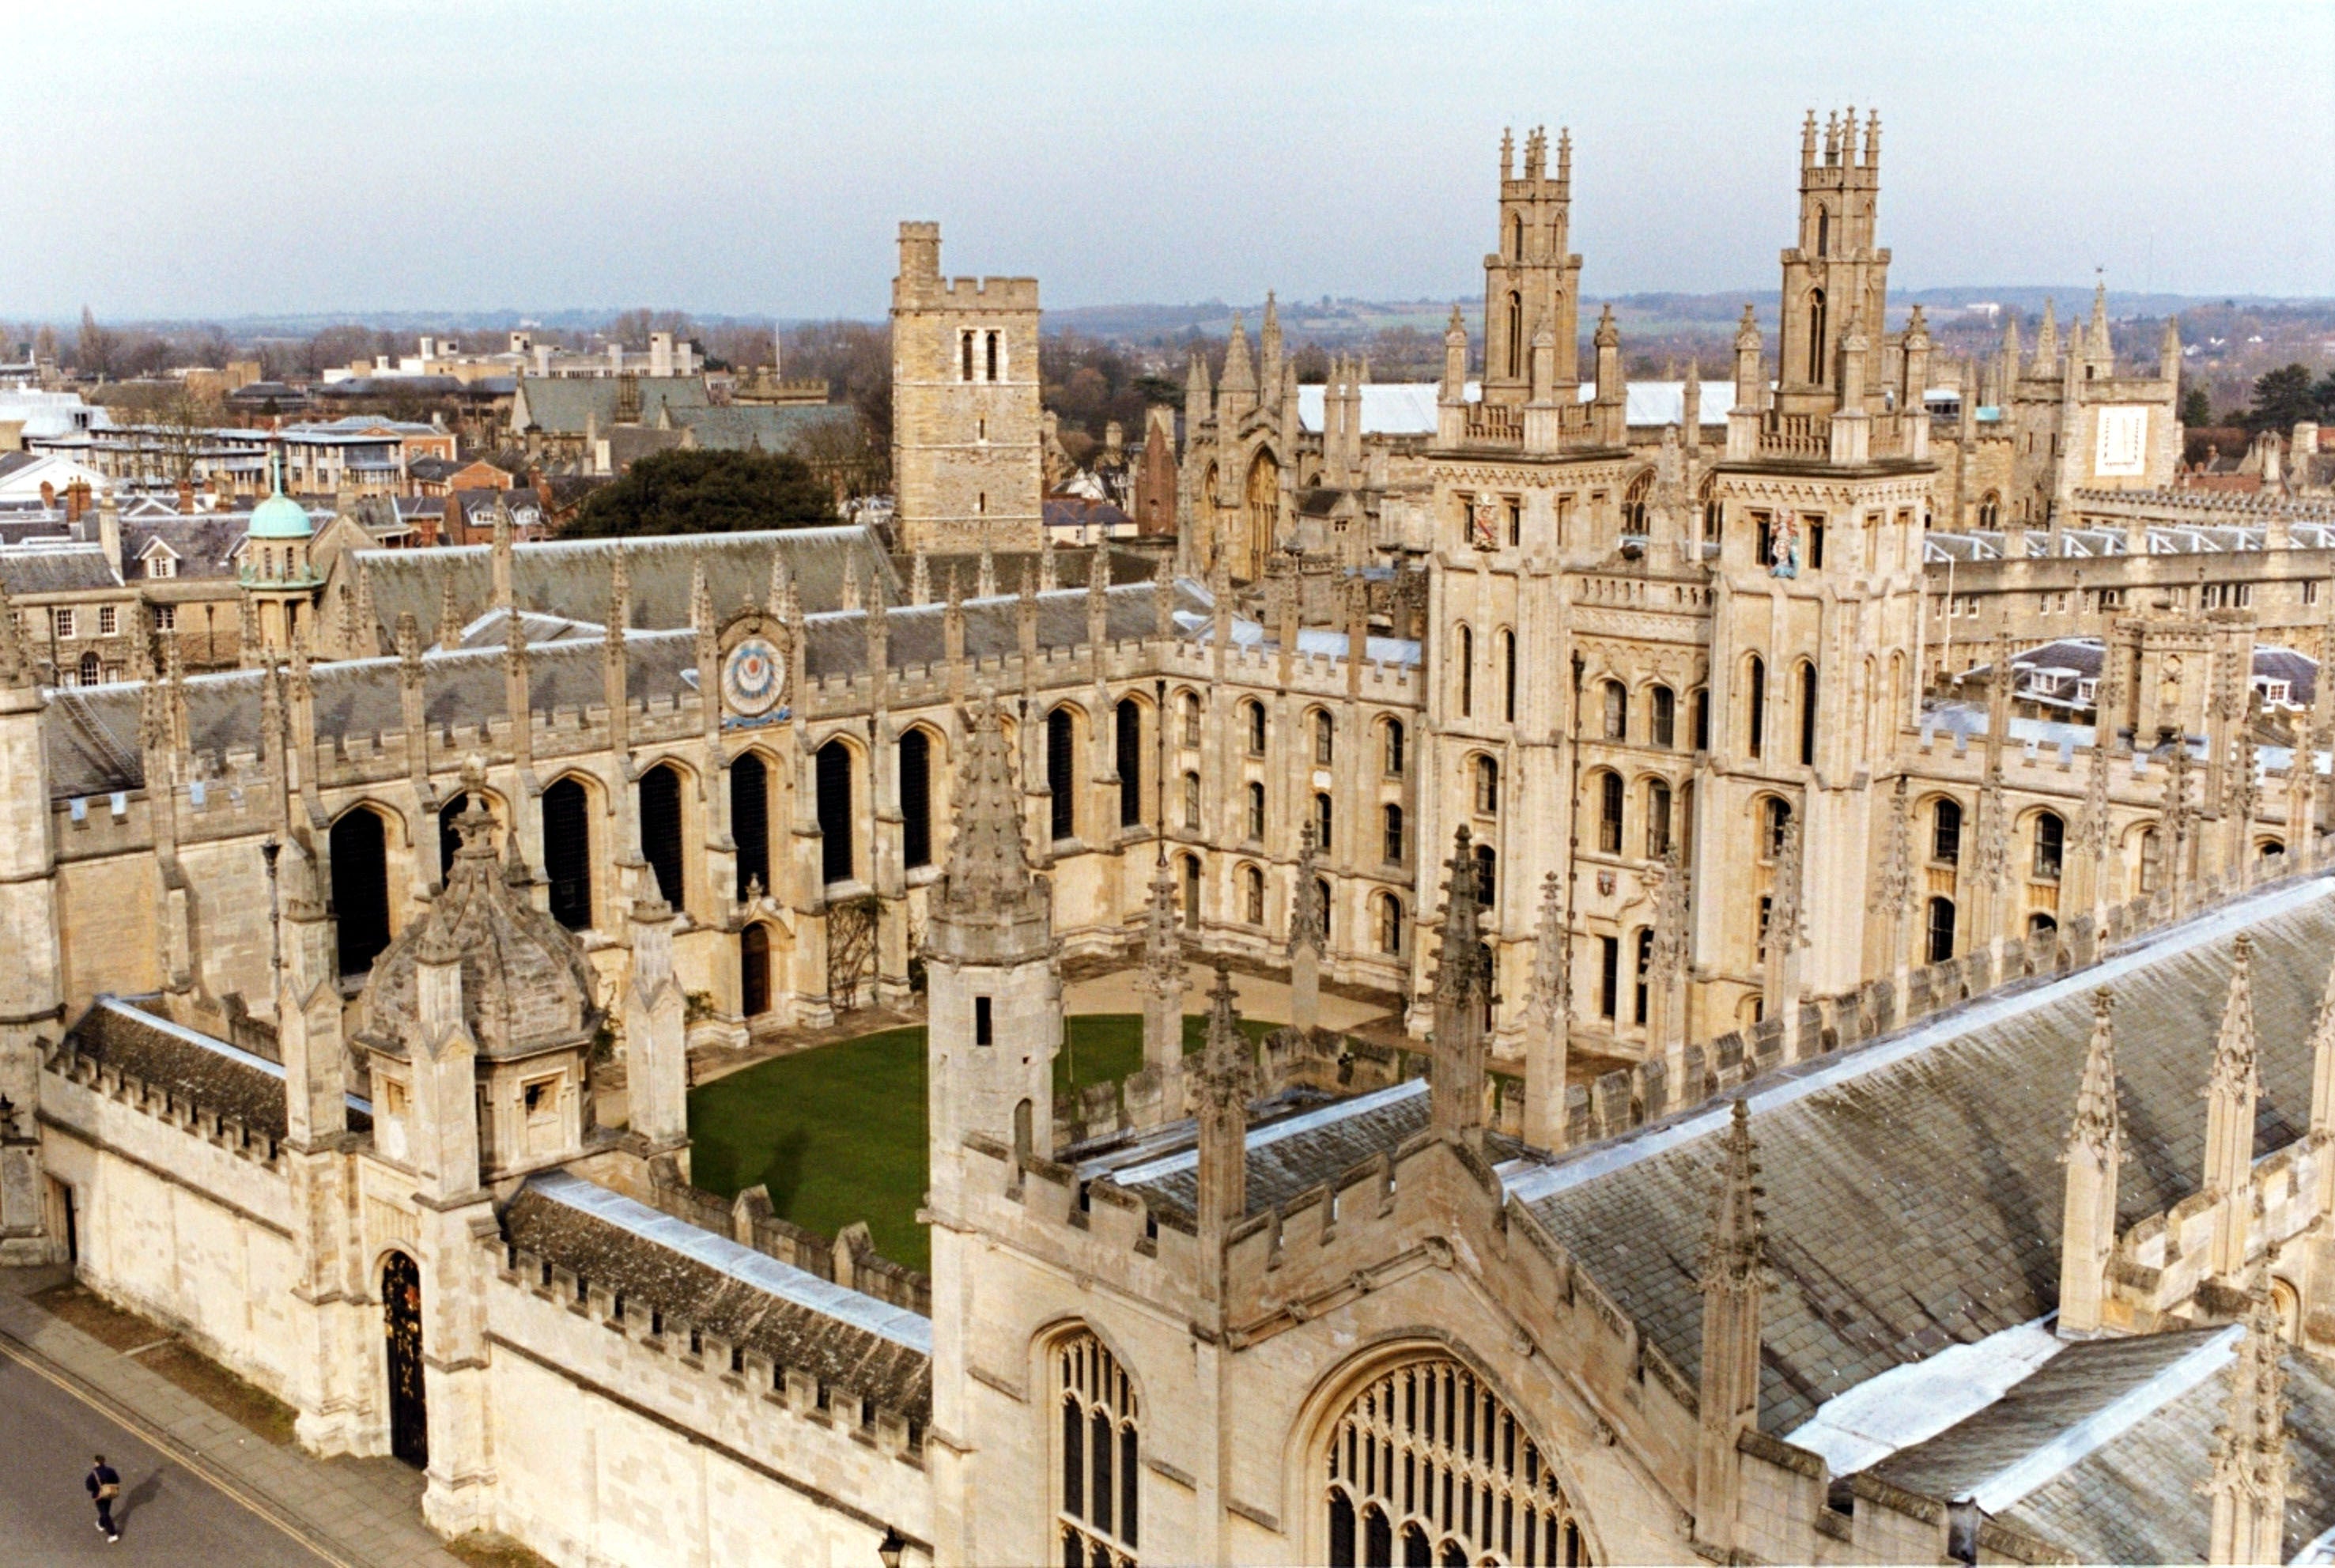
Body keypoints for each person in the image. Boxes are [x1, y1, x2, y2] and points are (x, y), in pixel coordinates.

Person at [85, 1454, 121, 1541]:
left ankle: (113, 1534)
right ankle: (101, 1524)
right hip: (109, 1493)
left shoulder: (93, 1475)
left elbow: (89, 1487)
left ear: (96, 1462)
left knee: (105, 1514)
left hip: (99, 1496)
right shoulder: (111, 1471)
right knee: (106, 1510)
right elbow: (117, 1480)